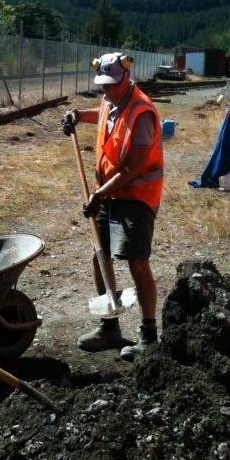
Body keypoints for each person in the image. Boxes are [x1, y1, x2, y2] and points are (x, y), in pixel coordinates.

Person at [61, 52, 164, 362]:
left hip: (136, 196)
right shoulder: (111, 98)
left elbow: (132, 168)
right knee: (100, 257)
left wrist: (98, 194)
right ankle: (110, 328)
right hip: (109, 194)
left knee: (136, 261)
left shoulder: (141, 112)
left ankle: (149, 335)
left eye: (111, 85)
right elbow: (104, 112)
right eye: (102, 85)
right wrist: (78, 114)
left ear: (126, 78)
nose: (106, 91)